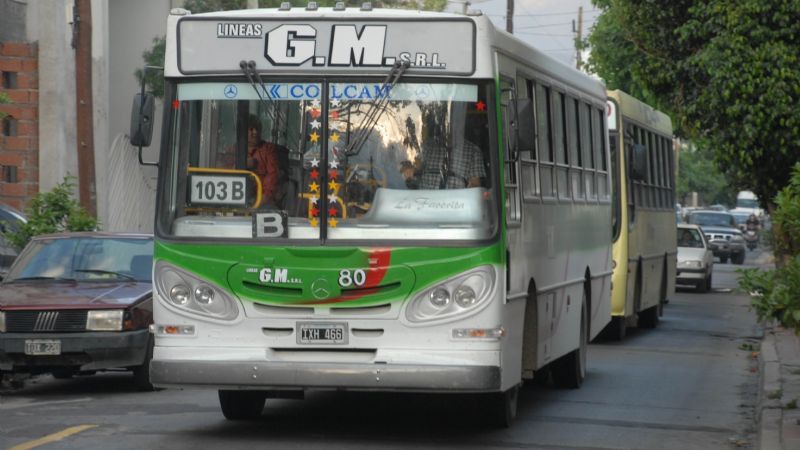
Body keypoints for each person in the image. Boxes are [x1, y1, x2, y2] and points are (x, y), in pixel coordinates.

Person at [246, 115, 282, 207]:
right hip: (235, 199)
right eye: (251, 129)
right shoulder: (232, 151)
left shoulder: (268, 150)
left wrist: (258, 203)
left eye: (258, 129)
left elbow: (273, 177)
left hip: (261, 201)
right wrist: (240, 165)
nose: (255, 132)